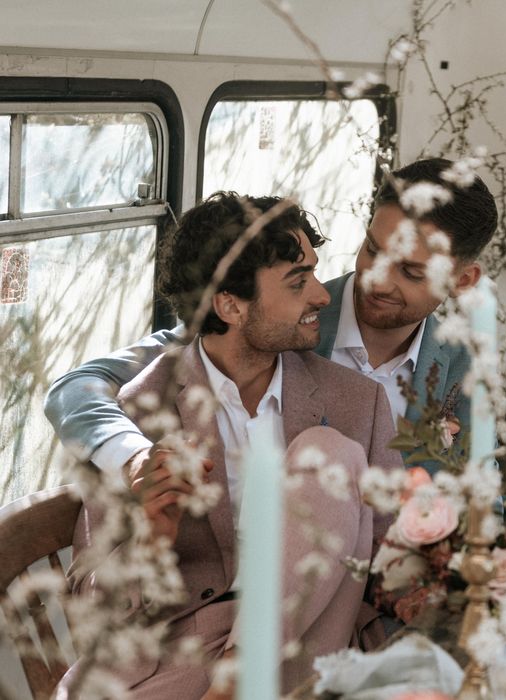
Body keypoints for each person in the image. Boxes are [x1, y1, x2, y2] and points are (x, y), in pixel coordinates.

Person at [58, 193, 403, 698]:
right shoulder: (142, 415)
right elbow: (94, 603)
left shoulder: (358, 403)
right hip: (185, 650)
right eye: (297, 281)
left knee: (328, 452)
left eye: (313, 274)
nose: (323, 297)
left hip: (314, 641)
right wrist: (151, 540)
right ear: (230, 305)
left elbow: (394, 562)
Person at [44, 158, 498, 474]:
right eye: (372, 249)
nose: (377, 279)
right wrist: (131, 456)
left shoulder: (465, 366)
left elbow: (481, 490)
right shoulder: (271, 321)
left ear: (463, 280)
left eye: (409, 270)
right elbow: (75, 389)